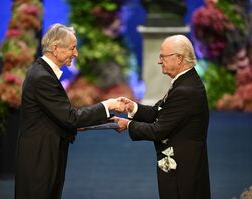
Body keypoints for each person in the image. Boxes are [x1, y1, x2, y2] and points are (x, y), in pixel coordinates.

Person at [15, 23, 123, 199]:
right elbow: (70, 118)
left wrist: (101, 121)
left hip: (45, 154)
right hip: (40, 159)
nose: (76, 53)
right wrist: (107, 105)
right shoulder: (43, 78)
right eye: (72, 48)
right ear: (56, 48)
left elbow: (60, 116)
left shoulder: (42, 72)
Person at [114, 35, 211, 199]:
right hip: (184, 166)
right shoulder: (185, 81)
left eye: (163, 57)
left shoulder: (185, 90)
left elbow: (158, 130)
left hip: (183, 172)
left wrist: (128, 125)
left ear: (179, 58)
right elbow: (160, 112)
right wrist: (133, 107)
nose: (159, 61)